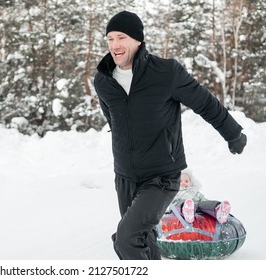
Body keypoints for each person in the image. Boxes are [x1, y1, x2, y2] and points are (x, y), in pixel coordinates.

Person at [93, 10, 247, 260]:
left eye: (121, 37)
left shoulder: (166, 73)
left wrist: (233, 134)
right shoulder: (103, 81)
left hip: (162, 175)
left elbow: (205, 103)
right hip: (125, 176)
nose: (115, 45)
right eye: (110, 38)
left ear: (138, 40)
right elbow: (114, 121)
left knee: (127, 240)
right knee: (145, 240)